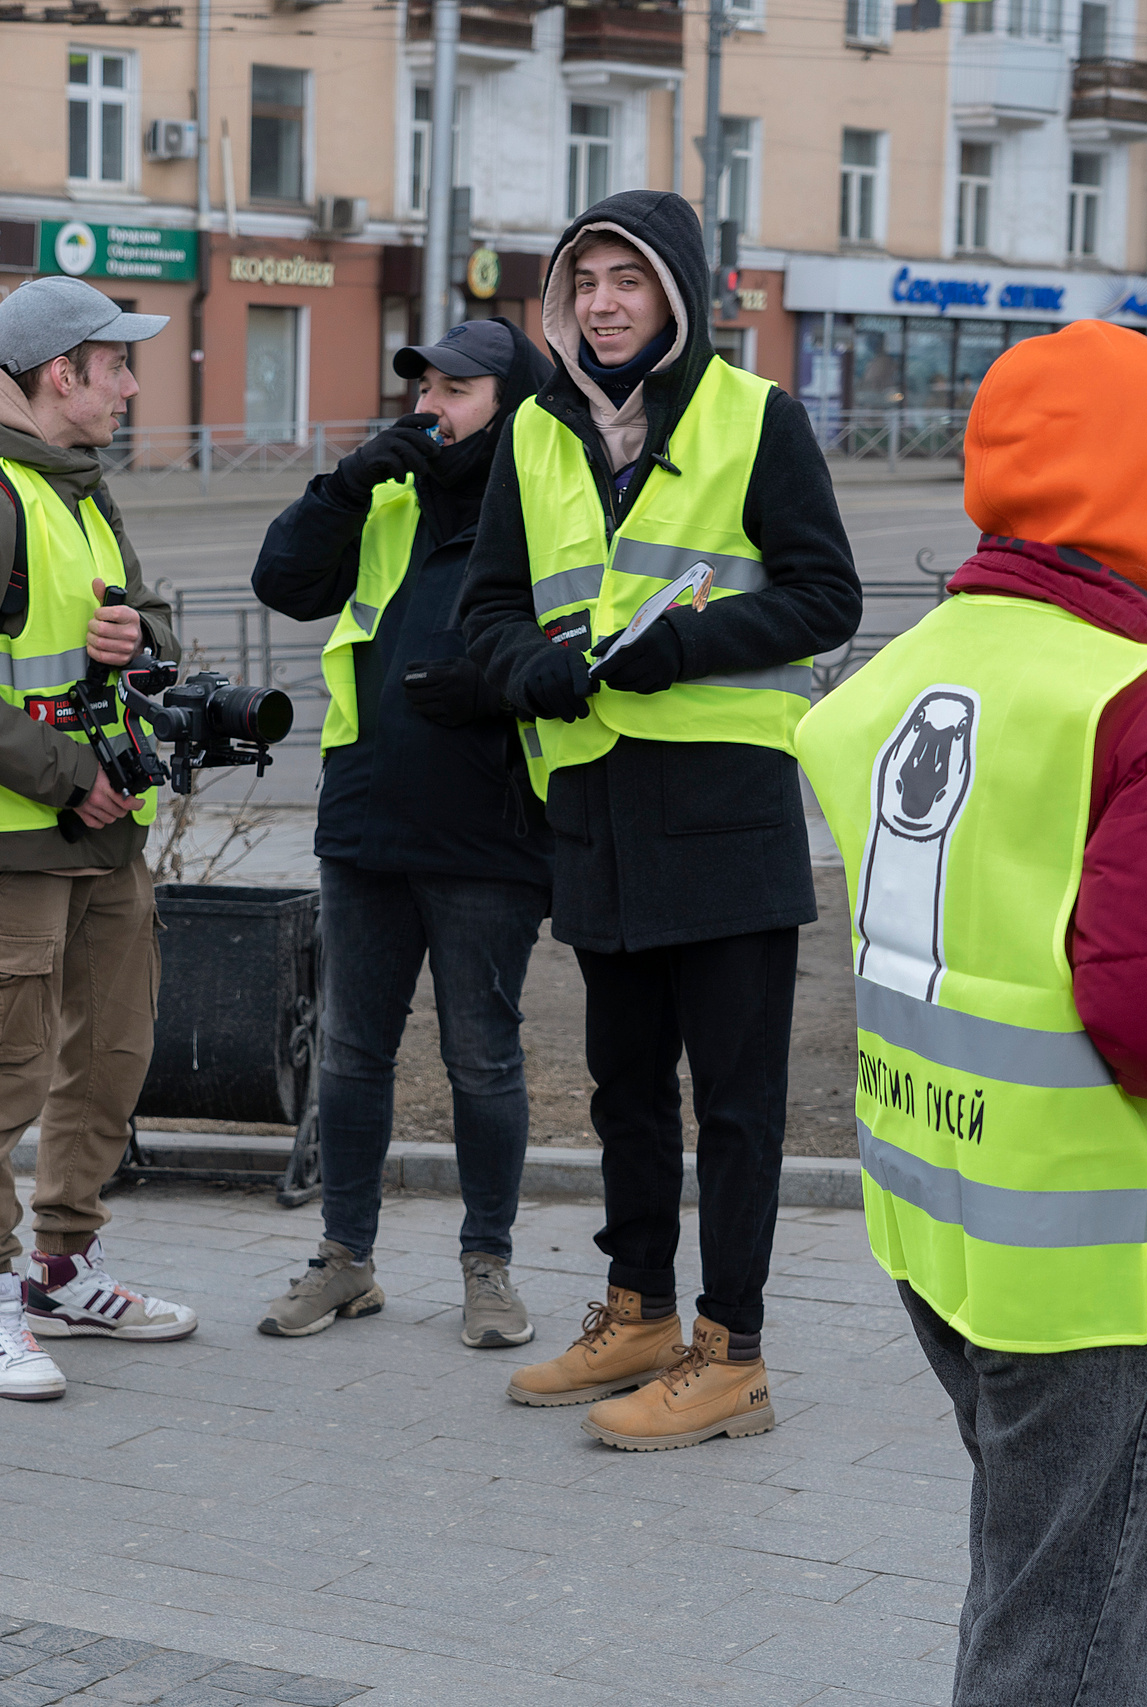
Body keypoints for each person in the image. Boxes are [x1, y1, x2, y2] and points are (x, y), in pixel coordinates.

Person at [792, 320, 1147, 1706]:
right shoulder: (1136, 705)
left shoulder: (928, 659)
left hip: (938, 1207)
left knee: (1028, 1574)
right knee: (1076, 1632)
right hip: (1087, 1244)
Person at [460, 189, 861, 1449]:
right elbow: (486, 617)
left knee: (733, 1103)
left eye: (626, 281)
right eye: (584, 282)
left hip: (724, 815)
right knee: (623, 1090)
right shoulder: (534, 435)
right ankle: (635, 1312)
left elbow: (823, 598)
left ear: (675, 295)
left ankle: (730, 1353)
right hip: (594, 811)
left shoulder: (757, 418)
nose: (602, 303)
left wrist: (677, 649)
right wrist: (534, 671)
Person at [0, 275, 195, 1402]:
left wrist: (139, 630)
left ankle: (64, 1271)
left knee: (107, 1059)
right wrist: (70, 781)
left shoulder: (77, 490)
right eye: (115, 364)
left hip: (110, 841)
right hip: (20, 844)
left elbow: (138, 618)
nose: (128, 385)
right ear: (60, 372)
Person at [249, 317, 557, 1348]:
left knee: (482, 1059)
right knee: (348, 1052)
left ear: (510, 407)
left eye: (455, 391)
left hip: (491, 830)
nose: (428, 405)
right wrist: (342, 485)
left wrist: (493, 685)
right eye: (423, 387)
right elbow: (283, 584)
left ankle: (489, 1266)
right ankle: (345, 1259)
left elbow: (583, 652)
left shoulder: (550, 507)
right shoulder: (388, 497)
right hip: (370, 816)